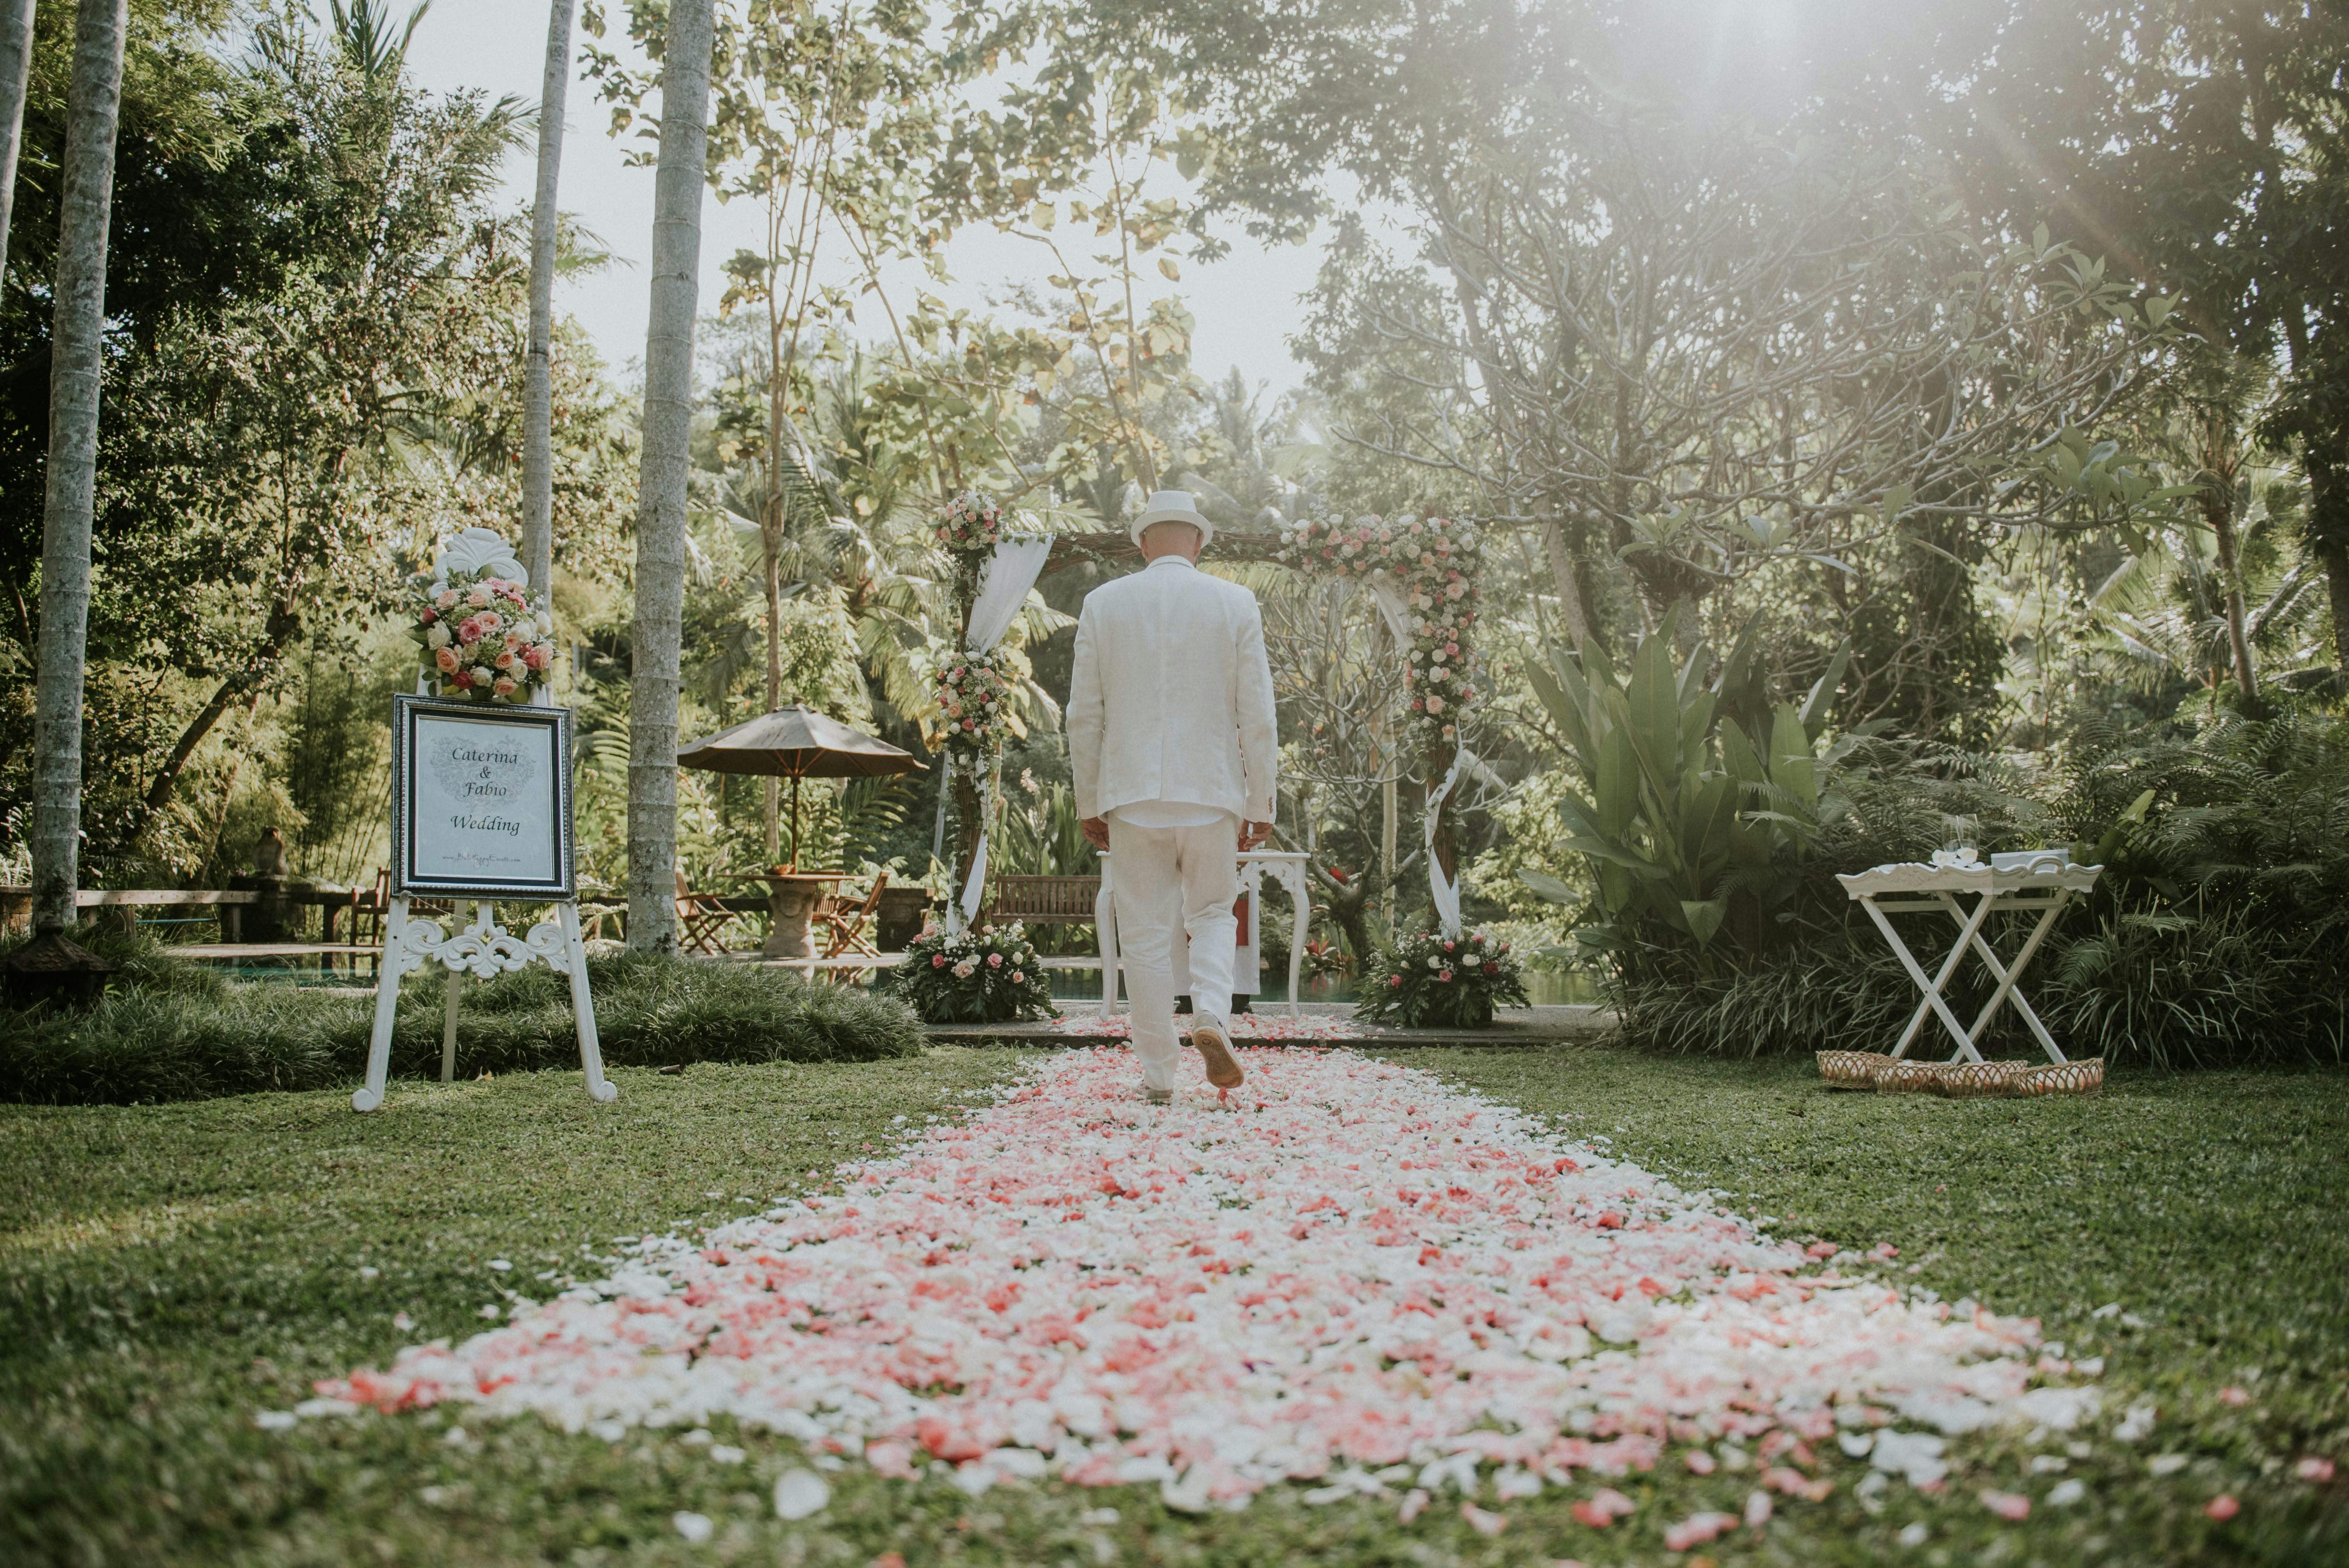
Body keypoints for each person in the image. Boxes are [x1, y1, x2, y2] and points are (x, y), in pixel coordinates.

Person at [1068, 490, 1278, 1103]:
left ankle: (1159, 1076)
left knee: (1143, 936)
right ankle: (1210, 1011)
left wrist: (1089, 801)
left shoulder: (1103, 603)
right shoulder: (1234, 602)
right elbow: (1258, 715)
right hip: (1212, 792)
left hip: (1132, 796)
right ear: (1199, 542)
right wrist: (1260, 802)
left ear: (1141, 543)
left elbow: (1084, 716)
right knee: (1211, 913)